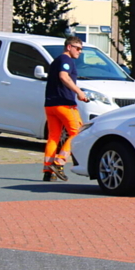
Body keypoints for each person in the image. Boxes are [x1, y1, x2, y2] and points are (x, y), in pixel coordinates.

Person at [43, 37, 90, 181]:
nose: (80, 52)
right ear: (69, 47)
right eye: (77, 48)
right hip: (64, 104)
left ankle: (48, 171)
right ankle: (59, 163)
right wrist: (79, 92)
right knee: (77, 132)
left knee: (53, 137)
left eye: (81, 49)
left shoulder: (55, 61)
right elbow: (64, 76)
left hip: (50, 105)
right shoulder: (66, 60)